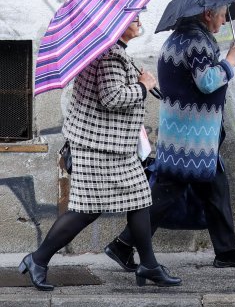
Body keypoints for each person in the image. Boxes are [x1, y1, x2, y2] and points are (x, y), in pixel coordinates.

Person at [19, 15, 181, 290]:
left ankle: (149, 264)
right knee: (86, 211)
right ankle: (38, 259)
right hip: (98, 149)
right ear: (119, 24)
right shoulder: (109, 57)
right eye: (133, 17)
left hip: (113, 149)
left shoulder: (113, 52)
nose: (138, 20)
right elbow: (112, 98)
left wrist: (141, 82)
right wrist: (143, 86)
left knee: (140, 199)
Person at [105, 5, 235, 270]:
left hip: (189, 134)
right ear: (208, 13)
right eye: (221, 16)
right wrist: (230, 62)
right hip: (191, 138)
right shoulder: (195, 42)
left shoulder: (178, 38)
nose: (223, 23)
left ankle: (227, 250)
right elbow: (206, 82)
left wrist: (225, 63)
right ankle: (122, 244)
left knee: (215, 186)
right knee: (166, 192)